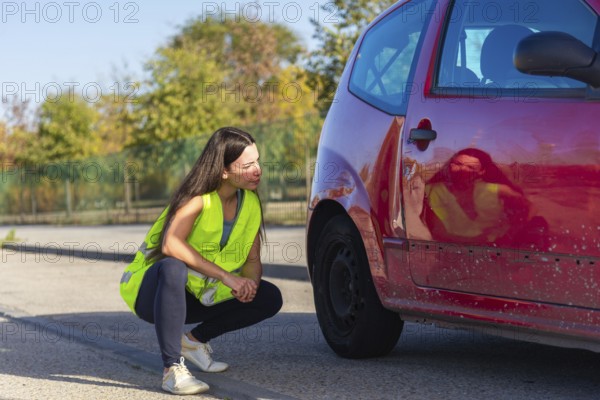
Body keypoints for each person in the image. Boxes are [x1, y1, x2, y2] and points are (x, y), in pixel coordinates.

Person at [119, 127, 283, 395]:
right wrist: (227, 277)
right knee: (173, 266)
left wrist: (248, 284)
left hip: (198, 295)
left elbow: (252, 259)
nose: (258, 170)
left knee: (269, 296)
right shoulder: (197, 199)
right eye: (248, 165)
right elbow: (170, 244)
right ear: (224, 171)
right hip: (153, 293)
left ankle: (193, 342)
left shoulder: (250, 203)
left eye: (258, 161)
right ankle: (171, 369)